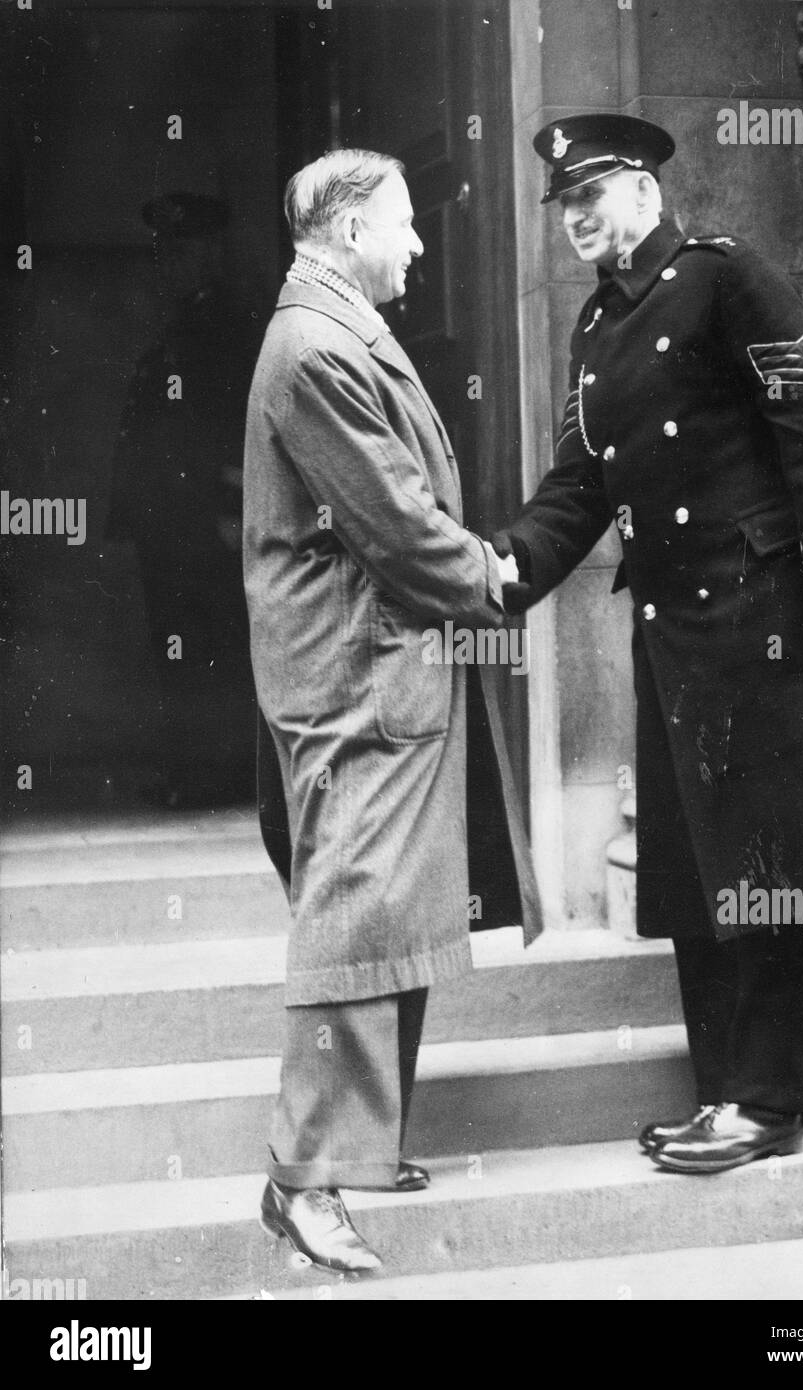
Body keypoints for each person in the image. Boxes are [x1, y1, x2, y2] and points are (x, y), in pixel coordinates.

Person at [492, 114, 803, 1175]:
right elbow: (578, 486)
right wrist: (503, 568)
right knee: (698, 874)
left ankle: (772, 1103)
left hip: (764, 625)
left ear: (645, 190)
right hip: (674, 637)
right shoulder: (594, 332)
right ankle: (720, 1095)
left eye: (593, 196)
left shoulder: (724, 276)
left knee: (771, 868)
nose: (578, 221)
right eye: (565, 207)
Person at [243, 149, 535, 1275]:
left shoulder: (331, 329)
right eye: (406, 226)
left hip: (378, 667)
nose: (419, 246)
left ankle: (347, 1154)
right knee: (356, 917)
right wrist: (491, 577)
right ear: (352, 227)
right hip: (358, 678)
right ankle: (303, 1181)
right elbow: (397, 524)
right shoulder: (318, 344)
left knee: (388, 914)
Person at [109, 192, 260, 807]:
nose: (166, 264)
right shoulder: (183, 327)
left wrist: (231, 508)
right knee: (179, 645)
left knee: (209, 648)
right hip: (171, 522)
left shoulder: (229, 330)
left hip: (205, 521)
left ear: (211, 255)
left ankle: (214, 781)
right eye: (163, 252)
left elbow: (237, 428)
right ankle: (193, 776)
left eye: (181, 251)